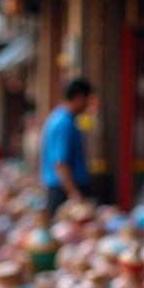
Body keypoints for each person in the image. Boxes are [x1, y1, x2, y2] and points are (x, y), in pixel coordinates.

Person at [40, 78, 92, 215]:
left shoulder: (57, 118)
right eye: (87, 100)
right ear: (79, 97)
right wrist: (75, 194)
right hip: (64, 191)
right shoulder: (64, 124)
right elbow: (60, 163)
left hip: (61, 189)